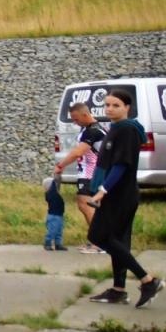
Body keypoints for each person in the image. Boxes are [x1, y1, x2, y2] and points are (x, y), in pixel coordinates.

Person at [82, 88, 164, 308]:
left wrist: (102, 191)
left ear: (127, 108)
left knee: (98, 236)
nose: (109, 108)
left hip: (119, 195)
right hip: (118, 194)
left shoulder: (126, 130)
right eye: (107, 105)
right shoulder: (116, 128)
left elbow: (121, 165)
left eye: (115, 105)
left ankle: (148, 280)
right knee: (117, 241)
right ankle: (118, 290)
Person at [56, 98, 109, 253]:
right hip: (87, 172)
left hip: (90, 173)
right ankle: (96, 240)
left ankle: (100, 242)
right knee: (87, 206)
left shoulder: (93, 131)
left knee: (85, 204)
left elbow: (78, 152)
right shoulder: (89, 128)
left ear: (85, 115)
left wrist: (61, 165)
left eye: (76, 119)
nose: (75, 123)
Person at [43, 176, 67, 251]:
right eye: (53, 184)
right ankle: (47, 243)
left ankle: (58, 244)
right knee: (52, 231)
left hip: (59, 215)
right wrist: (57, 175)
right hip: (54, 216)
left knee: (59, 231)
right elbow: (54, 183)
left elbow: (56, 185)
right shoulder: (50, 193)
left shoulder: (54, 192)